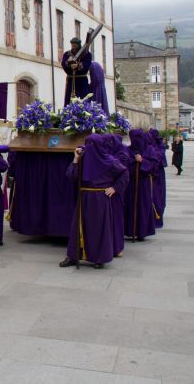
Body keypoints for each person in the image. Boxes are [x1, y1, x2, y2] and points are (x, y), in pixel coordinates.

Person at [59, 134, 129, 269]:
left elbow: (124, 173)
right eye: (87, 143)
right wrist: (75, 159)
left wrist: (114, 188)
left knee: (99, 229)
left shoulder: (109, 160)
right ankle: (73, 256)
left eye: (92, 144)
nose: (89, 147)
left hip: (100, 198)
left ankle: (99, 257)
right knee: (78, 227)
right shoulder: (83, 159)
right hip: (84, 196)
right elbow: (71, 176)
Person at [124, 129, 157, 241]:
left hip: (143, 183)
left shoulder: (149, 150)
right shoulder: (128, 150)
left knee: (142, 206)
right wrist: (132, 162)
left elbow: (154, 166)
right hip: (130, 183)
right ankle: (130, 230)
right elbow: (123, 164)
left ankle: (142, 231)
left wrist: (142, 161)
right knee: (130, 206)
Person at [61, 37, 92, 106]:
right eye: (72, 44)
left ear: (79, 45)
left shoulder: (87, 54)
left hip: (82, 81)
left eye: (75, 45)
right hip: (71, 80)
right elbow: (63, 63)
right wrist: (68, 64)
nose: (73, 46)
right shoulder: (67, 54)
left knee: (83, 99)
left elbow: (87, 64)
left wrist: (78, 66)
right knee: (70, 100)